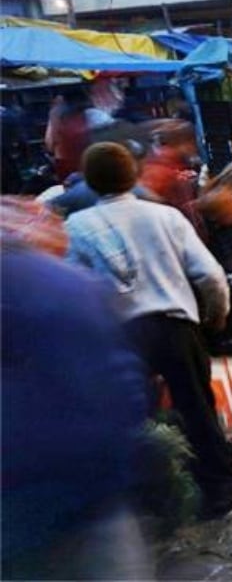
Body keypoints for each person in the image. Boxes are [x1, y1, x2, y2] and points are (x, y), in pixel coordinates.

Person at [64, 142, 232, 519]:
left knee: (135, 419)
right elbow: (210, 275)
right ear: (133, 176)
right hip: (175, 326)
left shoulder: (75, 227)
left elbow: (75, 290)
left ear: (92, 183)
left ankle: (154, 495)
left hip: (121, 336)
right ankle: (221, 490)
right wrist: (217, 314)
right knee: (197, 409)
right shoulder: (166, 217)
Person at [2, 242, 152, 579]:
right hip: (83, 492)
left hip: (37, 503)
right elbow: (120, 384)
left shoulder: (49, 282)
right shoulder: (55, 282)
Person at [43, 90, 91, 183]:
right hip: (89, 160)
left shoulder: (56, 114)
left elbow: (50, 144)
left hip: (68, 163)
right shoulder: (95, 114)